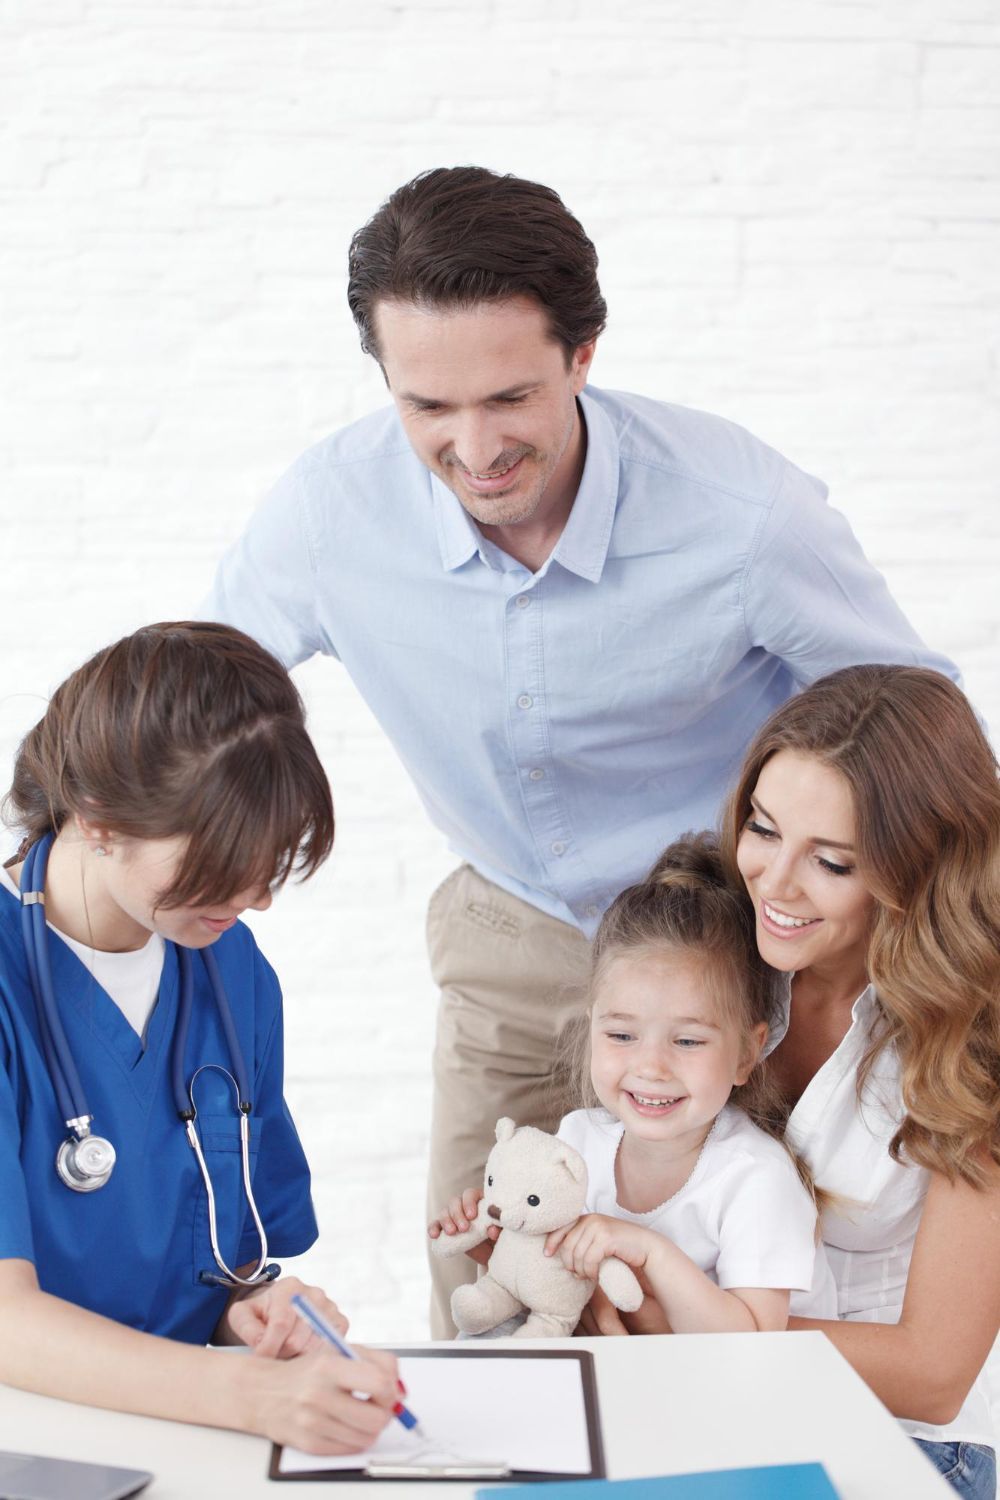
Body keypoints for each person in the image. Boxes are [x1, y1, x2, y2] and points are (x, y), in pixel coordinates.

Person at [200, 164, 962, 1335]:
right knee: (487, 1300)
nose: (473, 447)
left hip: (728, 949)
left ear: (583, 355)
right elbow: (192, 700)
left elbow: (910, 717)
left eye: (509, 397)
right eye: (427, 408)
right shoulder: (325, 514)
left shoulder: (740, 515)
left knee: (702, 1305)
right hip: (510, 933)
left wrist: (919, 933)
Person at [589, 666, 1000, 1498]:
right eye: (765, 829)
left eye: (833, 862)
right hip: (705, 1401)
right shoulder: (720, 950)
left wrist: (682, 1323)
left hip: (906, 1440)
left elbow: (932, 1374)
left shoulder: (974, 1034)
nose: (774, 883)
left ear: (918, 865)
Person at [0, 622, 400, 1456]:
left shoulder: (230, 970)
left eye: (270, 860)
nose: (255, 898)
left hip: (191, 1441)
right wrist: (249, 1392)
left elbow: (218, 1258)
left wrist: (247, 1314)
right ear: (100, 817)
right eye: (223, 860)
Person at [430, 834, 837, 1334]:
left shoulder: (755, 1180)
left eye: (687, 1041)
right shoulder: (577, 1141)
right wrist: (491, 1241)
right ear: (592, 1027)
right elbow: (549, 1286)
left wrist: (651, 1252)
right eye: (621, 1035)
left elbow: (754, 1343)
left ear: (746, 1053)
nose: (651, 1067)